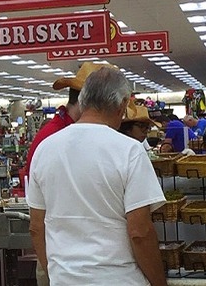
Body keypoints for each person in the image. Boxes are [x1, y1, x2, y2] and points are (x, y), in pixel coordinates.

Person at [27, 67, 167, 286]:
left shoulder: (45, 149)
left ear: (82, 100)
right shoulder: (129, 151)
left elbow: (36, 227)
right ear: (122, 105)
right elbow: (140, 232)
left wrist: (57, 275)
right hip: (118, 279)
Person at [23, 61, 105, 286]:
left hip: (78, 252)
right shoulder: (53, 137)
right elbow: (38, 214)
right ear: (87, 101)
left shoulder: (62, 133)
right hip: (59, 253)